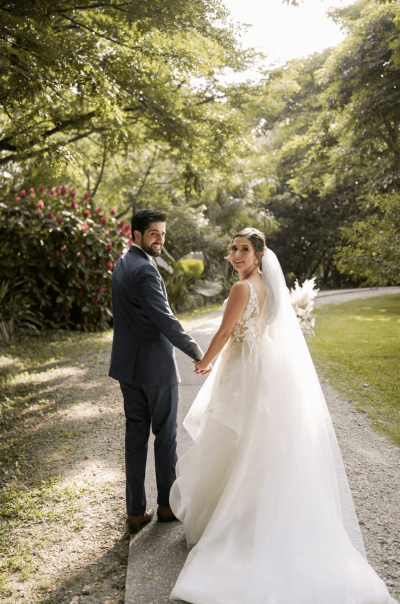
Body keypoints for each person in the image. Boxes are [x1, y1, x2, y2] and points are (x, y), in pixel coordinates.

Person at [169, 228, 397, 604]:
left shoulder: (240, 289)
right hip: (263, 367)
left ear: (259, 255)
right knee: (256, 441)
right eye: (233, 249)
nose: (237, 255)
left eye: (245, 250)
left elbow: (226, 331)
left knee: (234, 440)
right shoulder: (268, 286)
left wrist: (203, 362)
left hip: (244, 369)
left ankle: (238, 518)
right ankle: (260, 510)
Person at [109, 209, 211, 535]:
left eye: (163, 233)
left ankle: (135, 513)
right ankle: (167, 506)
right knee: (165, 436)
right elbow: (165, 319)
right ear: (136, 235)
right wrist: (197, 352)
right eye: (153, 233)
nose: (160, 239)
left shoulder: (122, 264)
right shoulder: (145, 270)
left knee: (136, 438)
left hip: (128, 367)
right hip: (155, 367)